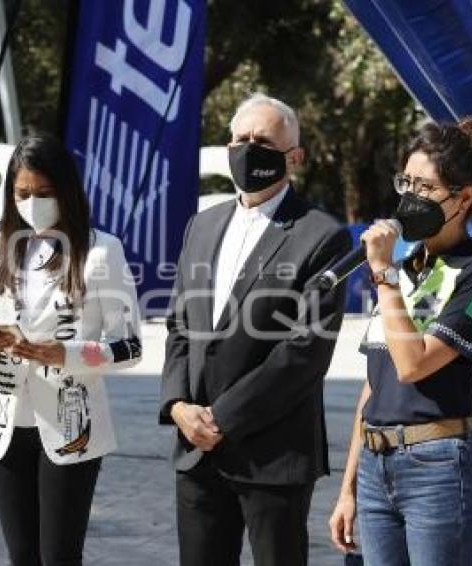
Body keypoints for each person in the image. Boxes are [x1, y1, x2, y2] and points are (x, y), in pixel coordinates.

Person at [159, 93, 352, 566]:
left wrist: (222, 418)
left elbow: (304, 351)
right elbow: (180, 324)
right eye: (240, 139)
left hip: (274, 455)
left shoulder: (323, 235)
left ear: (295, 157)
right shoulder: (201, 226)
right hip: (197, 454)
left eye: (262, 140)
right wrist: (178, 405)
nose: (249, 148)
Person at [329, 117, 472, 566]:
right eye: (406, 182)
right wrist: (348, 487)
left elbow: (414, 365)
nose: (410, 197)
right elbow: (376, 385)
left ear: (464, 197)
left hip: (439, 470)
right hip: (375, 466)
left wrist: (384, 277)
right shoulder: (407, 269)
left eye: (426, 187)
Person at [0, 133, 142, 565]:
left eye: (44, 193)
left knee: (60, 555)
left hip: (72, 420)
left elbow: (130, 345)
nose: (33, 202)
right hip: (5, 422)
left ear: (66, 191)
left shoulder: (100, 250)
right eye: (22, 193)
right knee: (21, 555)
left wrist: (66, 354)